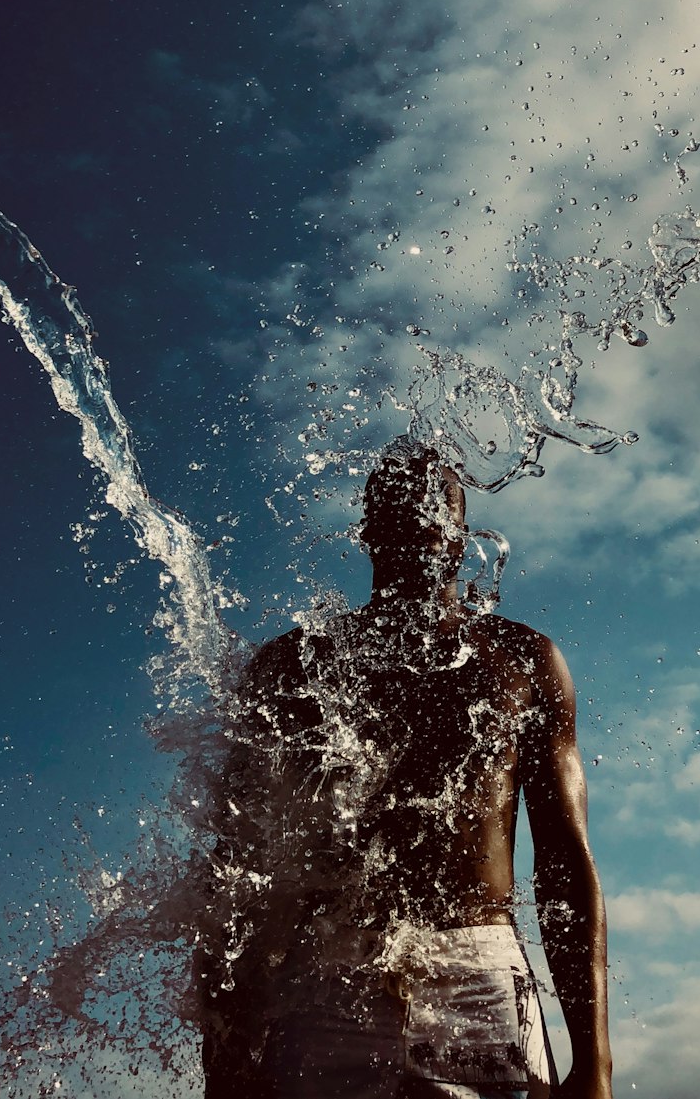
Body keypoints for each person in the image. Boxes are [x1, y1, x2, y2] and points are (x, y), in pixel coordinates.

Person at [197, 440, 612, 1099]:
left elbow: (564, 862)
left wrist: (595, 1065)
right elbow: (236, 872)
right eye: (395, 513)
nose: (416, 527)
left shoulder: (520, 660)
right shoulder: (294, 666)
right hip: (329, 971)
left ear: (463, 534)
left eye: (433, 512)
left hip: (477, 965)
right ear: (367, 532)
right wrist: (223, 1050)